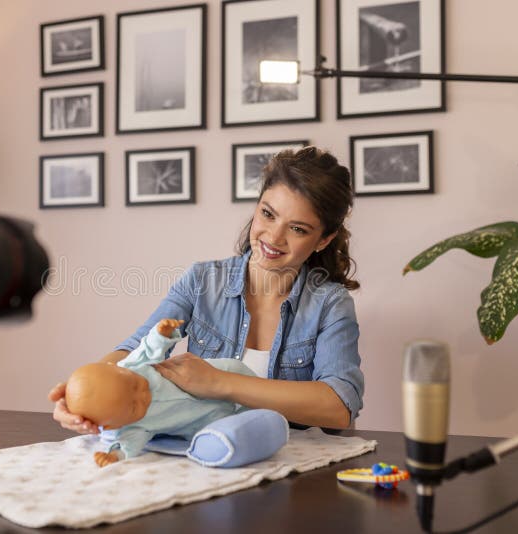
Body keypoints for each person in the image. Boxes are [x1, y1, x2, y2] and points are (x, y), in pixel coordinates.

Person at [49, 146, 363, 437]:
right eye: (268, 214)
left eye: (297, 229)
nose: (274, 237)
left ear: (323, 239)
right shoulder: (201, 281)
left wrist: (219, 382)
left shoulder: (330, 304)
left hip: (295, 462)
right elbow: (137, 348)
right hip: (205, 454)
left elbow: (340, 406)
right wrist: (83, 393)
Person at [65, 318, 265, 467]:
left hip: (214, 376)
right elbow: (128, 444)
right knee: (222, 430)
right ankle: (259, 421)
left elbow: (148, 349)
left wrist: (161, 334)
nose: (143, 396)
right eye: (134, 406)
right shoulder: (132, 427)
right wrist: (114, 456)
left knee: (234, 367)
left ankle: (262, 399)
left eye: (135, 385)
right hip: (203, 419)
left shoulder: (133, 366)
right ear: (113, 424)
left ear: (119, 368)